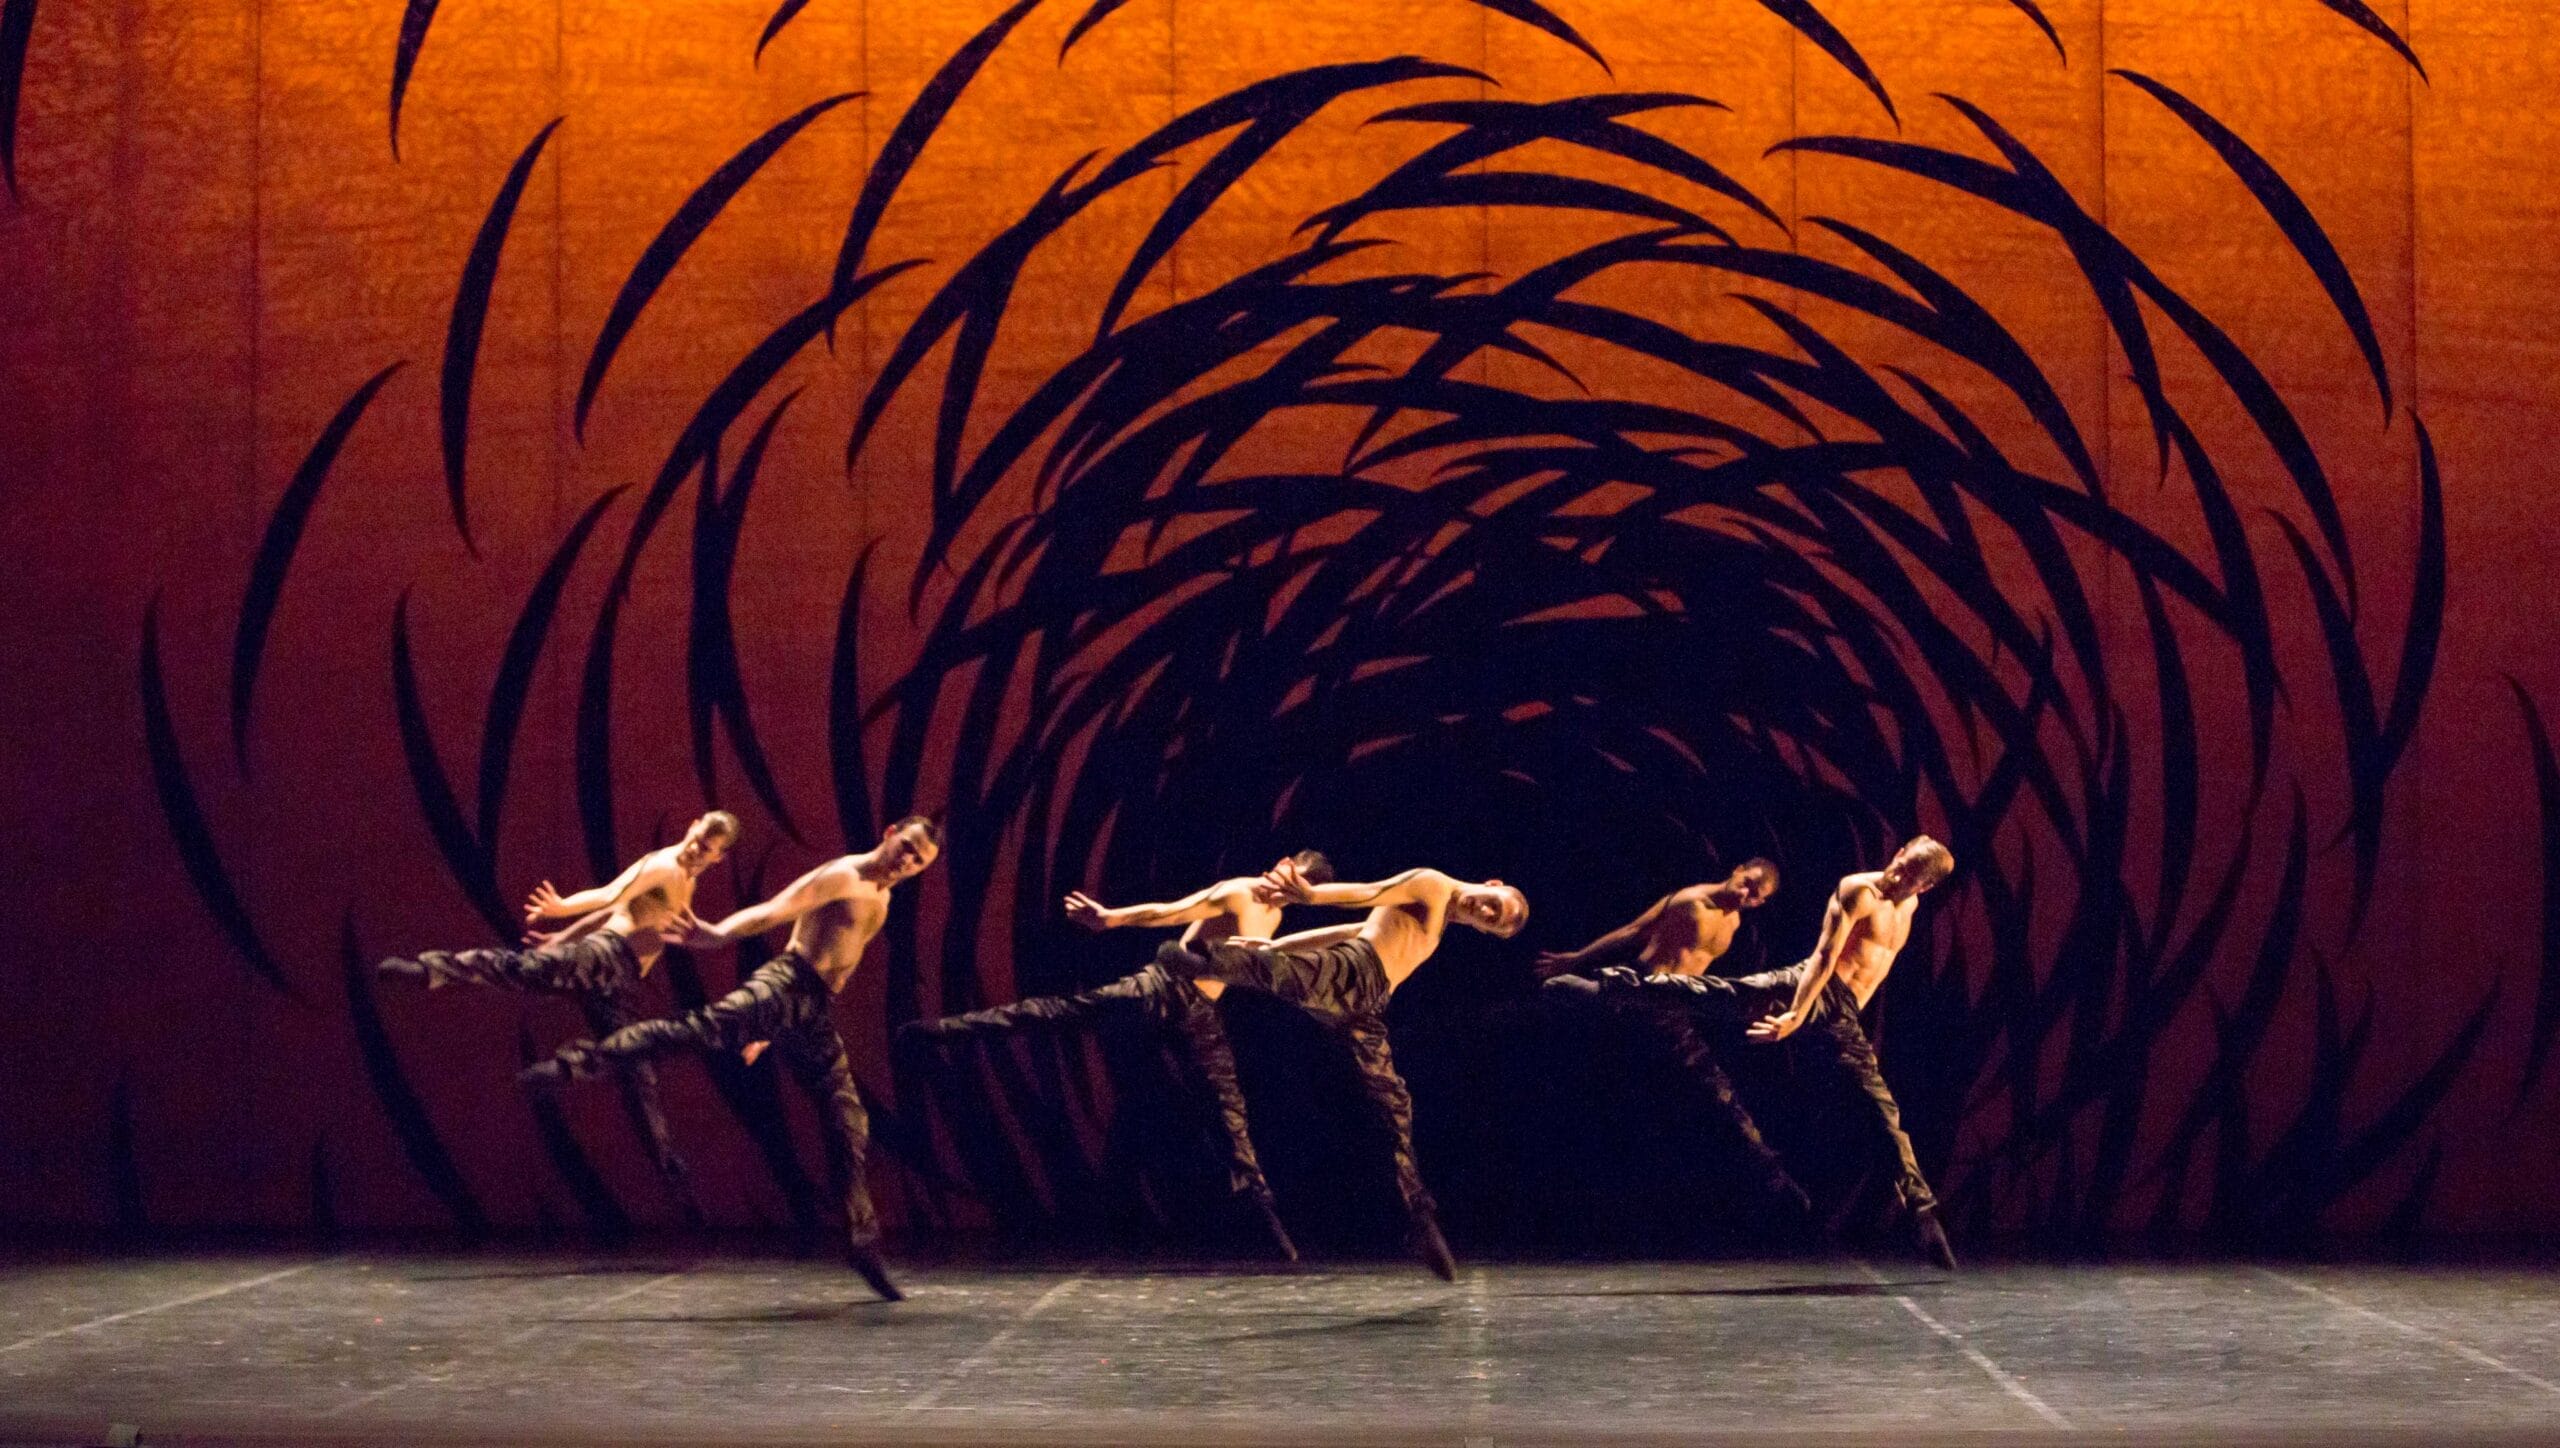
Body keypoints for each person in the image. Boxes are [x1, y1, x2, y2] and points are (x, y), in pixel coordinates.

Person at [522, 817, 944, 1302]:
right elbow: (775, 911)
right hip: (784, 986)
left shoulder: (883, 897)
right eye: (907, 846)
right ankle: (578, 1064)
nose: (907, 860)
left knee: (849, 1119)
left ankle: (860, 1241)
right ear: (890, 834)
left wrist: (772, 1033)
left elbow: (841, 962)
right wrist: (718, 933)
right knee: (695, 1031)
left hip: (810, 1011)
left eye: (919, 860)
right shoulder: (843, 875)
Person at [896, 852, 1341, 1260]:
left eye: (1295, 891)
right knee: (1060, 1013)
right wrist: (1112, 919)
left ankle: (1264, 1216)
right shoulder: (1238, 890)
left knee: (1228, 1108)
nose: (1283, 889)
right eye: (1288, 878)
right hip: (1161, 986)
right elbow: (1172, 910)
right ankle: (942, 1031)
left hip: (1201, 1010)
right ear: (1283, 864)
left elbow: (1255, 959)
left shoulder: (1275, 915)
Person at [1155, 860, 1529, 1280]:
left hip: (1369, 1006)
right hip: (1358, 971)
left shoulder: (1440, 920)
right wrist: (1314, 897)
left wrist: (1279, 946)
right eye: (1493, 904)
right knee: (1317, 975)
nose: (1486, 912)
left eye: (1492, 922)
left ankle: (1418, 1214)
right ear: (1492, 882)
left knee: (1394, 1104)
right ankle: (1214, 963)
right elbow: (1370, 890)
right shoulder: (1434, 884)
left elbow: (1348, 930)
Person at [1607, 836, 1958, 1269]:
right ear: (1899, 852)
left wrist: (1854, 1035)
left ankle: (1922, 1211)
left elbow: (1872, 974)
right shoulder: (1858, 890)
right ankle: (1616, 985)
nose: (1896, 876)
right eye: (1899, 864)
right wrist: (1797, 1013)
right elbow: (1825, 957)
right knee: (1721, 996)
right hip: (1811, 988)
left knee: (1880, 1110)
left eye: (1909, 879)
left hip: (1842, 1013)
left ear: (1923, 888)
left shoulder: (1909, 907)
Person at [376, 811, 740, 1223]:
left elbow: (618, 909)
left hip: (620, 983)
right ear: (691, 826)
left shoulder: (686, 880)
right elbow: (610, 895)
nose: (695, 851)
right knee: (526, 971)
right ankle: (430, 970)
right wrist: (563, 908)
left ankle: (672, 1178)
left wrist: (562, 938)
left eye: (705, 850)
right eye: (696, 840)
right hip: (607, 956)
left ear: (718, 858)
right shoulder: (663, 864)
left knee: (637, 1067)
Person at [1533, 860, 1808, 1215]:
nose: (1747, 897)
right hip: (1638, 991)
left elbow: (1699, 979)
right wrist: (1576, 958)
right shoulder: (1688, 901)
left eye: (1757, 897)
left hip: (1673, 1010)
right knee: (1563, 996)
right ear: (1738, 870)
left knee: (1715, 1093)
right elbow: (1632, 931)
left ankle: (1772, 1179)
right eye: (1747, 884)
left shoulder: (1735, 921)